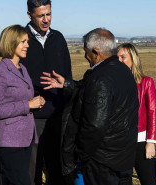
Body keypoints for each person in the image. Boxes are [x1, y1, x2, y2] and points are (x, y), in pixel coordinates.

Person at [40, 28, 139, 185]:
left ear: (96, 52)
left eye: (86, 51)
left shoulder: (99, 79)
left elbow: (94, 126)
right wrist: (66, 84)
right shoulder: (124, 72)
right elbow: (94, 94)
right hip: (124, 156)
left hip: (102, 161)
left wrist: (81, 154)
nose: (85, 56)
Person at [19, 0, 72, 184]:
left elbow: (68, 76)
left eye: (48, 14)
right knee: (31, 172)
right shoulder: (20, 38)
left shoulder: (58, 38)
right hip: (31, 117)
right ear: (29, 15)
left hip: (57, 116)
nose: (46, 19)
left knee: (57, 171)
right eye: (41, 15)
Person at [0, 24, 45, 185]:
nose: (27, 45)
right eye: (23, 42)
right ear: (11, 43)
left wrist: (36, 102)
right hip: (8, 140)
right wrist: (28, 104)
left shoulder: (22, 68)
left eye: (27, 41)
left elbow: (20, 98)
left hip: (25, 137)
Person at [117, 43, 156, 185]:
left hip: (140, 142)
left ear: (133, 59)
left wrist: (151, 142)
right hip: (120, 143)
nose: (120, 61)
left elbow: (153, 112)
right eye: (117, 58)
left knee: (148, 181)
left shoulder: (146, 82)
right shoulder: (114, 83)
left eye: (123, 57)